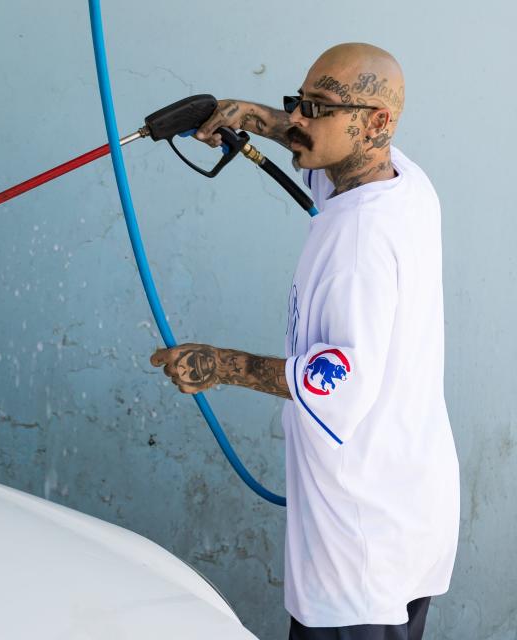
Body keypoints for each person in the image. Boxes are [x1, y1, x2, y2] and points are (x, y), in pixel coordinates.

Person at [150, 43, 459, 639]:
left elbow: (336, 382)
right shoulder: (402, 184)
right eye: (299, 101)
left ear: (376, 123)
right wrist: (255, 118)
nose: (297, 119)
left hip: (359, 543)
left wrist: (218, 364)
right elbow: (324, 158)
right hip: (407, 510)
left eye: (317, 108)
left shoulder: (361, 242)